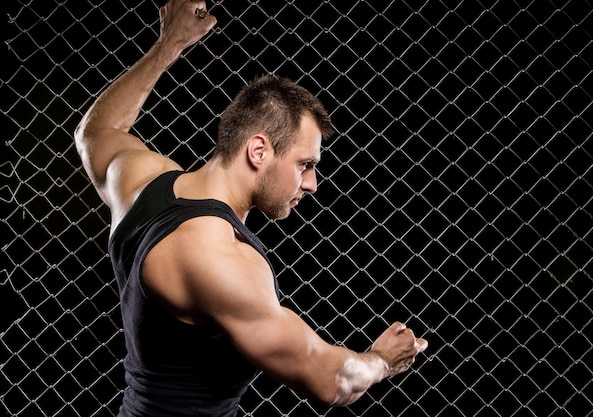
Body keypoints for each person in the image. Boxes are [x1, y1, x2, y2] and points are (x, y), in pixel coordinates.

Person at [73, 0, 428, 416]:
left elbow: (97, 130)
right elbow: (330, 380)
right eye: (305, 164)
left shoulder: (144, 181)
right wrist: (383, 361)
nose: (312, 183)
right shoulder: (216, 258)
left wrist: (171, 43)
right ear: (258, 149)